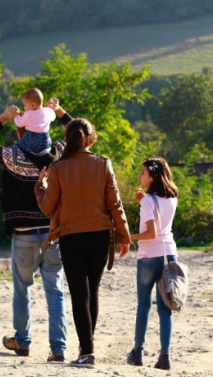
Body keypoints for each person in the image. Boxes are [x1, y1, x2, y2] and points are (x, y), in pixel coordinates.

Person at [0, 98, 71, 363]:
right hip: (52, 233)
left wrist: (3, 118)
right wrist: (60, 112)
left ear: (22, 132)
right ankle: (58, 348)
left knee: (22, 290)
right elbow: (80, 135)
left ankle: (23, 341)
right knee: (56, 292)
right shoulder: (58, 154)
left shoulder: (12, 156)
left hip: (24, 234)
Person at [35, 118, 131, 369]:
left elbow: (47, 207)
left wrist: (39, 188)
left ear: (67, 140)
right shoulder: (103, 163)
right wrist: (124, 236)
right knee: (93, 291)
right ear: (92, 139)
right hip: (100, 235)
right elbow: (115, 204)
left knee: (80, 295)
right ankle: (87, 347)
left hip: (71, 236)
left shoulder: (57, 169)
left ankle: (87, 352)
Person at [127, 157, 179, 371]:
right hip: (169, 255)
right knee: (165, 308)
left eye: (142, 172)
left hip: (149, 257)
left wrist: (128, 237)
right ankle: (164, 356)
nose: (139, 175)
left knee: (144, 305)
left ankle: (138, 352)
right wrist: (143, 202)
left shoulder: (149, 201)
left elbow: (150, 232)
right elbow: (161, 221)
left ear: (153, 177)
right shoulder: (172, 198)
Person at [14, 88, 56, 155]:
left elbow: (19, 123)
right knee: (45, 150)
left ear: (33, 105)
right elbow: (53, 117)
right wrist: (50, 108)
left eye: (24, 105)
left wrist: (16, 116)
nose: (24, 108)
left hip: (31, 139)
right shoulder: (48, 111)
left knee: (17, 147)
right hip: (46, 142)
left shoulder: (29, 113)